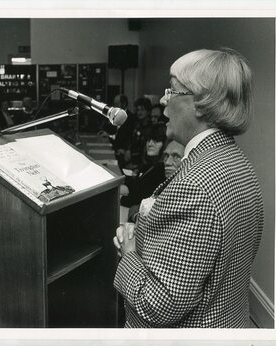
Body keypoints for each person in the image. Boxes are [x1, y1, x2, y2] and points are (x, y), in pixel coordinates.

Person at [113, 48, 264, 328]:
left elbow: (156, 305)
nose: (162, 100)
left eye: (171, 90)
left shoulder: (195, 184)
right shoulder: (236, 161)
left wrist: (130, 253)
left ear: (201, 103)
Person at [120, 124, 167, 208]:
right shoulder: (149, 164)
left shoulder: (161, 171)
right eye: (149, 140)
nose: (150, 144)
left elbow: (138, 199)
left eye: (156, 141)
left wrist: (119, 197)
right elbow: (135, 187)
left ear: (165, 145)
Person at [127, 97, 152, 168]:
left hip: (143, 164)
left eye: (142, 110)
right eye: (138, 110)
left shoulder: (150, 128)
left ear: (148, 111)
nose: (139, 112)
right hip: (133, 159)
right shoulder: (137, 125)